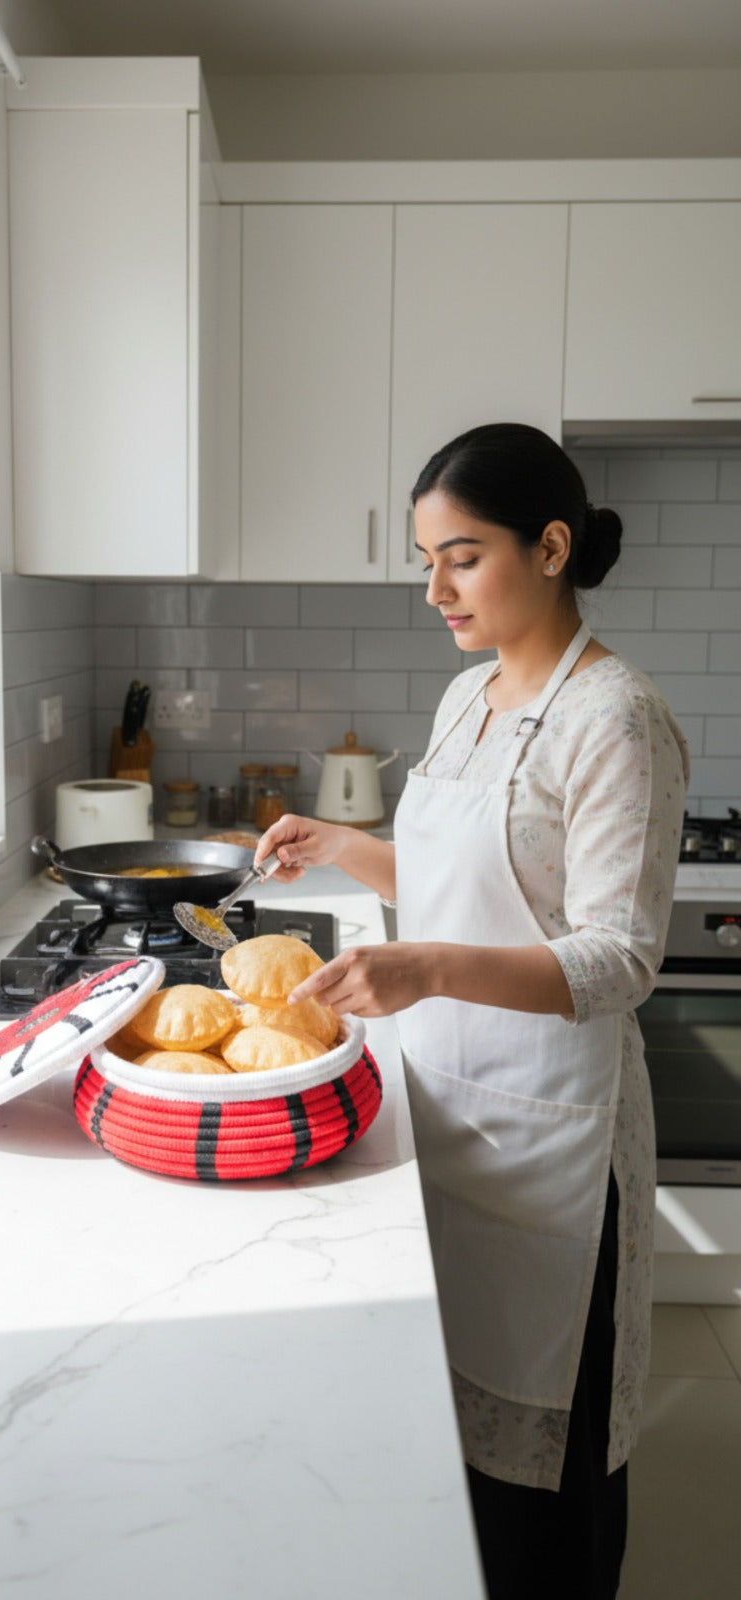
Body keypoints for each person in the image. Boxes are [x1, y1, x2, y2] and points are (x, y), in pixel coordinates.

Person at [254, 422, 689, 1600]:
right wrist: (350, 849)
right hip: (445, 1109)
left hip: (559, 1140)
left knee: (548, 1469)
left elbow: (615, 958)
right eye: (425, 559)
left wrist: (428, 970)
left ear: (551, 547)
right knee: (449, 1450)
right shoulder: (468, 693)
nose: (434, 588)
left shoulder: (616, 717)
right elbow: (463, 876)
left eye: (462, 556)